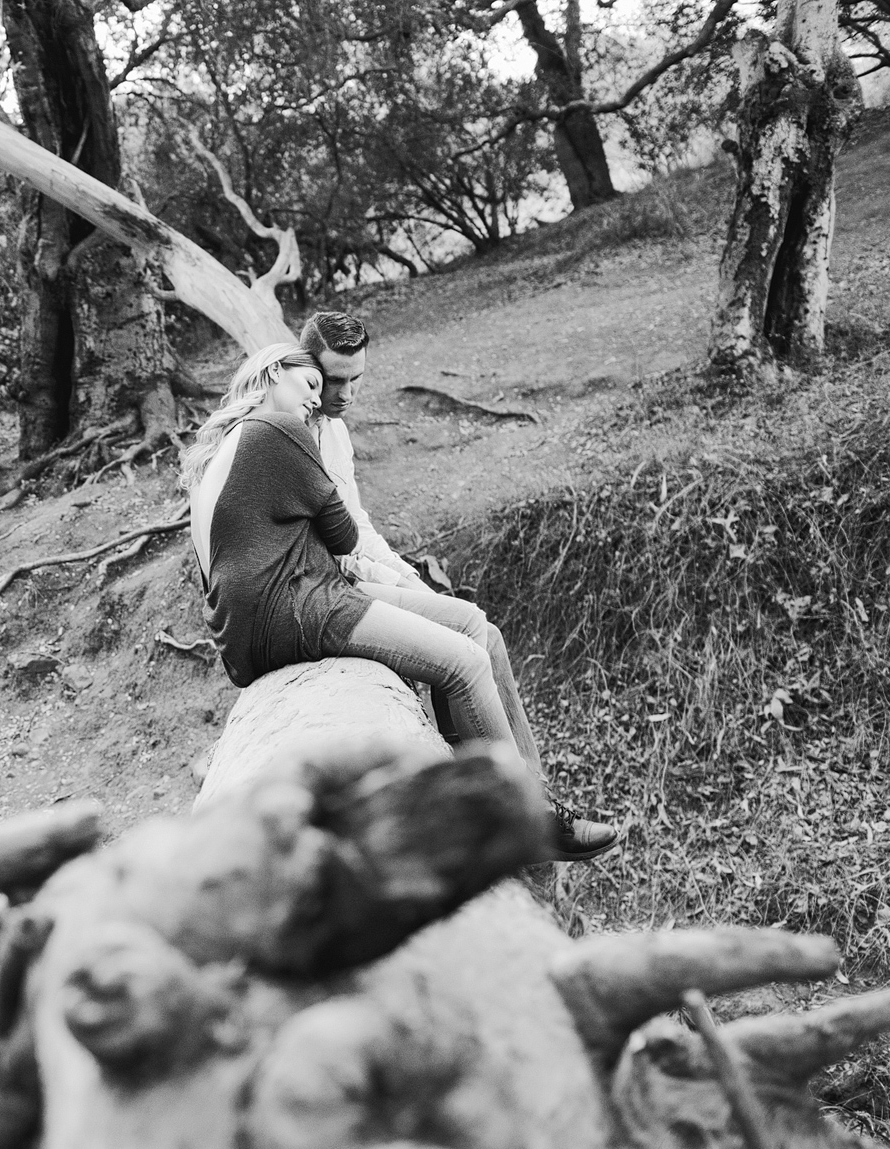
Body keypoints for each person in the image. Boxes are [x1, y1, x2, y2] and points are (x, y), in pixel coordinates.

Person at [182, 338, 620, 862]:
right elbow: (342, 536)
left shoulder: (223, 448)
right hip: (292, 607)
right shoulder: (279, 429)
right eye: (312, 385)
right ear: (276, 371)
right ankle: (527, 819)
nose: (317, 401)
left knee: (477, 626)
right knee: (465, 663)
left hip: (282, 601)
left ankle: (509, 782)